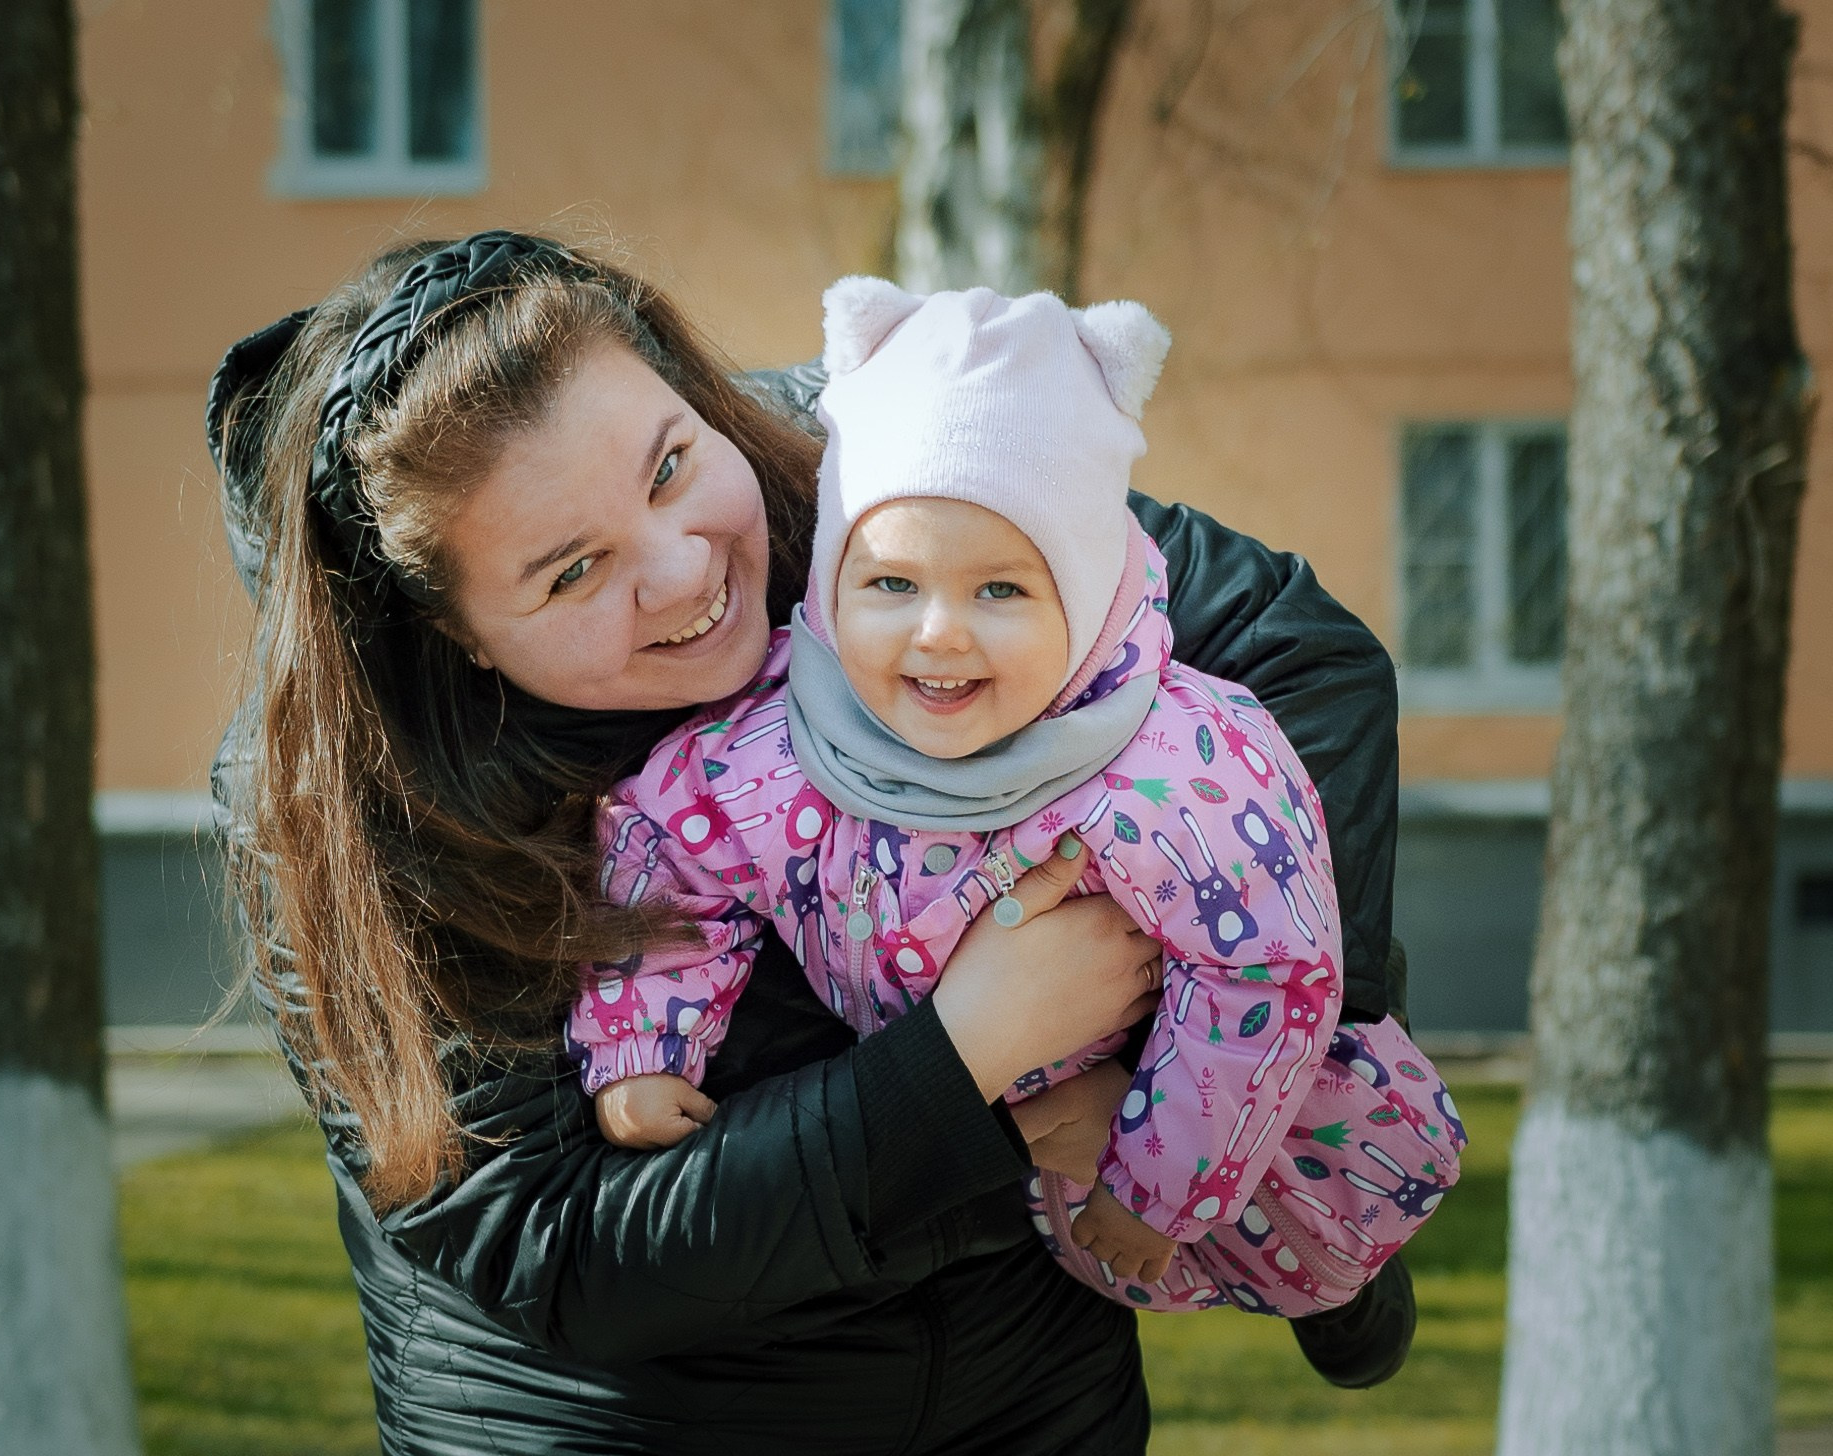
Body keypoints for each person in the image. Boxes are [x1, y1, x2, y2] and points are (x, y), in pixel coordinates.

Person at [207, 230, 1408, 1454]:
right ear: (449, 628)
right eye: (573, 572)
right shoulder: (337, 806)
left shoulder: (881, 466)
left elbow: (1301, 654)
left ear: (685, 386)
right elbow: (563, 1251)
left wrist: (1216, 1055)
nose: (684, 572)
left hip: (1032, 1408)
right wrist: (975, 1066)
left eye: (671, 465)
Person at [568, 279, 1457, 1372]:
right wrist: (644, 1040)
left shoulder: (1171, 769)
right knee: (1103, 1244)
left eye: (1001, 590)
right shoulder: (780, 743)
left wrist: (1155, 1174)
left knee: (1306, 1221)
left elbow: (1265, 972)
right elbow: (668, 854)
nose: (939, 635)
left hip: (1197, 1101)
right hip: (1010, 1139)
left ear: (1082, 591)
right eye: (890, 580)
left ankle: (1343, 1292)